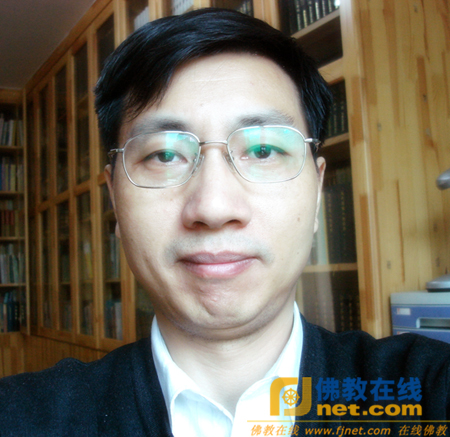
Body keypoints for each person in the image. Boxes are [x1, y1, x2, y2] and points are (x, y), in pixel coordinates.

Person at [1, 8, 449, 437]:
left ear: (317, 193)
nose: (213, 207)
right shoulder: (21, 416)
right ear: (114, 199)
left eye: (263, 150)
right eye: (164, 154)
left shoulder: (425, 391)